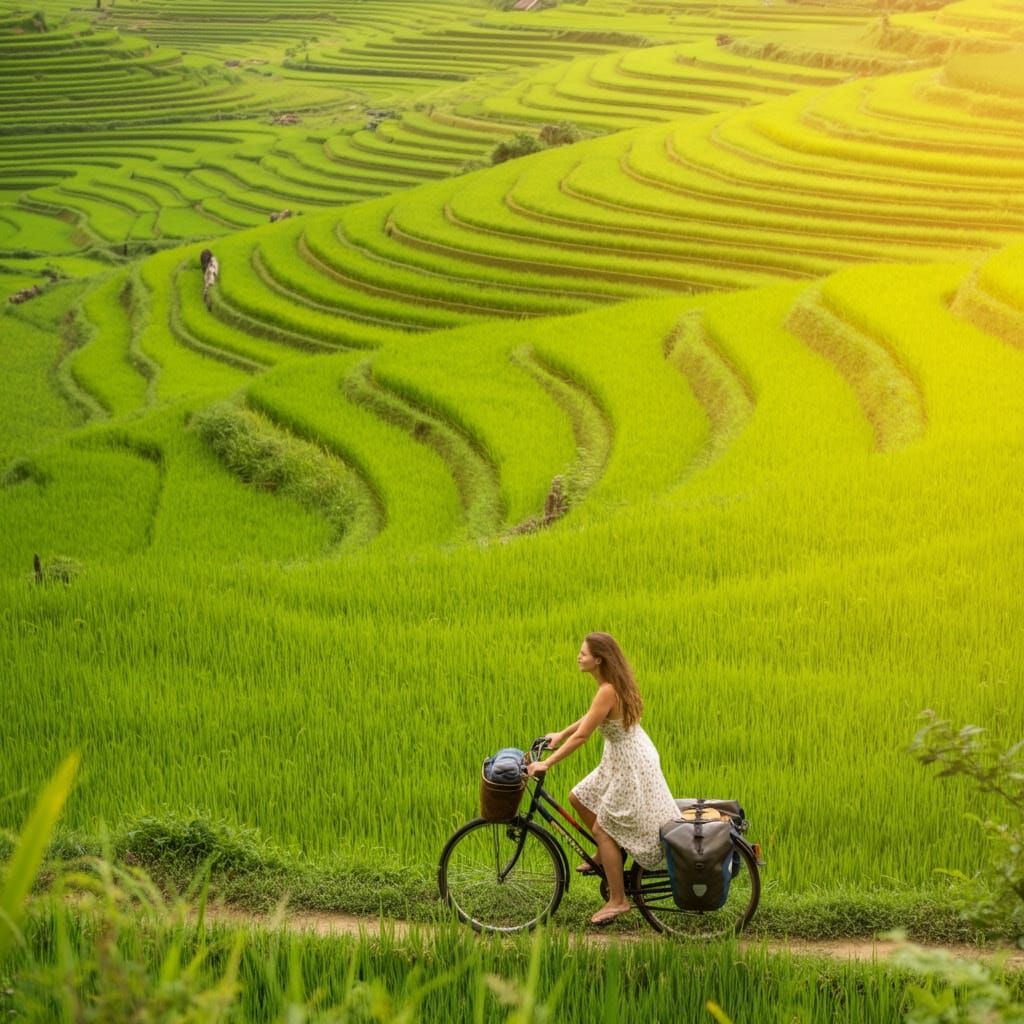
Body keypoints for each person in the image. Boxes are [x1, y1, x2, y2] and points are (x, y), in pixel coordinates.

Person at [527, 632, 679, 926]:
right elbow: (591, 717)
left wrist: (546, 763)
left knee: (602, 827)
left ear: (598, 660)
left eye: (583, 653)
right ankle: (606, 854)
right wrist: (560, 735)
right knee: (577, 797)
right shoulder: (609, 686)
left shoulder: (608, 689)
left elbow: (584, 735)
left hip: (630, 767)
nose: (578, 657)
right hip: (622, 757)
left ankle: (618, 900)